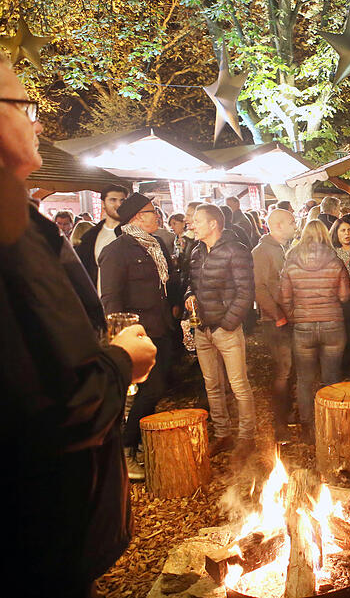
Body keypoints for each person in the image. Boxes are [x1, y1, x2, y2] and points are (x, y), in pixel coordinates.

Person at [1, 56, 156, 597]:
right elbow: (56, 404)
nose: (37, 121)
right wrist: (121, 361)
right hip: (35, 537)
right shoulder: (11, 238)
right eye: (23, 106)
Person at [99, 192, 178, 480]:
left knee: (156, 390)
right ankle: (126, 448)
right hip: (140, 333)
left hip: (163, 328)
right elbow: (111, 299)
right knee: (150, 390)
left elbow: (166, 286)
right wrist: (122, 337)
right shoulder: (117, 251)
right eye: (151, 210)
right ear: (136, 217)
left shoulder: (155, 245)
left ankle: (137, 445)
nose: (157, 214)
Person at [186, 203, 257, 460]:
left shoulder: (235, 250)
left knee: (239, 385)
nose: (191, 225)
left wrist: (227, 323)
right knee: (212, 385)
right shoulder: (195, 251)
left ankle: (247, 437)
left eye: (196, 220)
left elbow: (246, 292)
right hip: (201, 328)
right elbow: (190, 284)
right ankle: (223, 434)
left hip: (225, 329)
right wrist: (189, 297)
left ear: (213, 224)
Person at [279, 219, 350, 443]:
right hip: (333, 324)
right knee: (332, 377)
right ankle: (332, 425)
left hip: (303, 327)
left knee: (304, 379)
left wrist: (296, 317)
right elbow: (345, 296)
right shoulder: (336, 261)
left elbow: (284, 298)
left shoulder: (290, 262)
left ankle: (308, 429)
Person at [252, 208, 297, 442]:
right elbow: (259, 288)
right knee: (283, 371)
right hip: (275, 322)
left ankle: (288, 413)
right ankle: (279, 425)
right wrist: (277, 314)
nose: (295, 224)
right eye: (291, 222)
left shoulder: (284, 248)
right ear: (278, 226)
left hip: (288, 318)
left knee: (290, 371)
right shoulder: (261, 252)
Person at [76, 183, 128, 292]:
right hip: (100, 301)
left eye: (122, 201)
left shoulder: (134, 233)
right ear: (103, 204)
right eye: (113, 200)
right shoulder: (91, 237)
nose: (118, 204)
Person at [330, 213, 350, 374]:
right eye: (342, 231)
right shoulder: (333, 253)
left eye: (349, 230)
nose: (347, 234)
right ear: (336, 233)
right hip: (339, 300)